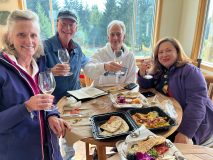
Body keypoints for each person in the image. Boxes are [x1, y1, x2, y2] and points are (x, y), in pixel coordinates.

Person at [0, 10, 70, 160]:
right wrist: (26, 107)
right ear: (10, 38)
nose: (29, 41)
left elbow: (47, 101)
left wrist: (52, 115)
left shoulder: (40, 63)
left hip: (51, 152)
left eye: (33, 35)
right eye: (21, 35)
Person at [138, 37, 213, 145]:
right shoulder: (160, 70)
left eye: (169, 50)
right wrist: (142, 73)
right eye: (160, 52)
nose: (164, 54)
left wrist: (185, 133)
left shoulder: (191, 71)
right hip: (170, 117)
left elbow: (197, 104)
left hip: (195, 124)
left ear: (177, 52)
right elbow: (146, 85)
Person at [43, 10, 89, 159]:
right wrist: (50, 71)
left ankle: (69, 155)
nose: (67, 28)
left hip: (74, 101)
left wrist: (104, 66)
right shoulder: (44, 47)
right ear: (57, 24)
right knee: (54, 139)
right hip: (53, 105)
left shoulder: (77, 48)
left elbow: (88, 62)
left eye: (71, 24)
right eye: (64, 23)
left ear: (76, 28)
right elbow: (33, 75)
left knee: (70, 135)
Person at [84, 20, 136, 86]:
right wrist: (104, 67)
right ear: (108, 38)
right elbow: (88, 69)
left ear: (124, 37)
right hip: (100, 93)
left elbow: (131, 82)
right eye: (112, 34)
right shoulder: (100, 53)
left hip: (121, 94)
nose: (115, 38)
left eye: (118, 34)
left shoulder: (130, 56)